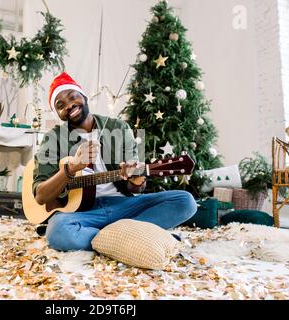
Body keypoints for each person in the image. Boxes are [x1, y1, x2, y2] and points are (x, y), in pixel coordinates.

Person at [32, 72, 197, 252]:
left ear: (84, 96)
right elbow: (41, 196)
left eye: (73, 97)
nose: (70, 105)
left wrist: (136, 181)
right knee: (57, 231)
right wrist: (70, 169)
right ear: (58, 114)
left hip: (123, 207)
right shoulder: (53, 139)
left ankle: (102, 238)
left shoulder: (118, 128)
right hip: (83, 213)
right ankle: (134, 237)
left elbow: (135, 188)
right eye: (61, 105)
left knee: (185, 201)